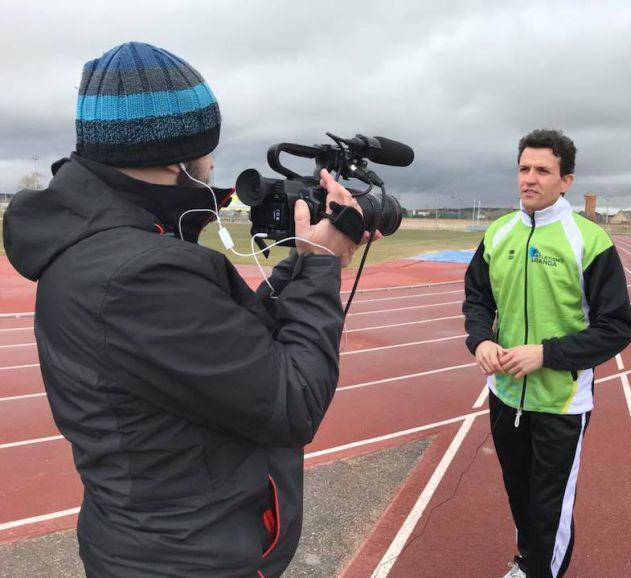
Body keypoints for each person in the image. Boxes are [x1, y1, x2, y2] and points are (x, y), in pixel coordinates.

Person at [2, 42, 367, 577]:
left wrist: (301, 263)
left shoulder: (103, 243)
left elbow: (222, 346)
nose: (214, 164)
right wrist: (319, 266)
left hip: (155, 542)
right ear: (180, 155)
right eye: (208, 150)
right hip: (188, 558)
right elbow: (291, 400)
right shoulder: (138, 271)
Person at [463, 129, 631, 578]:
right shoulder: (499, 233)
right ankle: (528, 563)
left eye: (543, 170)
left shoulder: (589, 240)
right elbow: (477, 299)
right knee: (519, 494)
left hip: (560, 401)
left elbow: (617, 328)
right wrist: (480, 339)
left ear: (566, 181)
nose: (530, 179)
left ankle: (540, 571)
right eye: (524, 168)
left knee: (549, 508)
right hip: (504, 394)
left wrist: (546, 354)